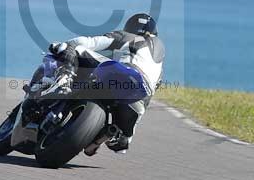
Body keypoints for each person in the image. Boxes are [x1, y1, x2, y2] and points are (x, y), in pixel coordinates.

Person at [44, 13, 165, 154]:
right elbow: (149, 95)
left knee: (75, 48)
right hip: (139, 97)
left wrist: (65, 45)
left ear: (130, 27)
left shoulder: (127, 36)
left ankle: (64, 80)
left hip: (122, 73)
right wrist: (129, 132)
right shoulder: (160, 67)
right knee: (122, 142)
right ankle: (106, 136)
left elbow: (90, 42)